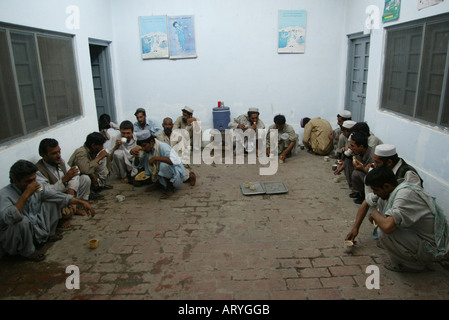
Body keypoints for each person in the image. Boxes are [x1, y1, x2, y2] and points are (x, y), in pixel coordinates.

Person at [0, 160, 95, 262]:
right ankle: (28, 252)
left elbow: (57, 196)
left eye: (34, 179)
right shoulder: (4, 195)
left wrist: (81, 202)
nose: (32, 183)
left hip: (35, 226)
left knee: (53, 202)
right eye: (28, 181)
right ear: (15, 181)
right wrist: (25, 195)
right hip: (17, 235)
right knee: (22, 222)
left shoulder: (37, 186)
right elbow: (11, 218)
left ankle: (46, 235)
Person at [364, 165, 449, 272]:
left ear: (386, 186)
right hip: (420, 238)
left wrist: (374, 213)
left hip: (431, 247)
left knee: (383, 232)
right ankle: (409, 258)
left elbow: (387, 227)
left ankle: (413, 265)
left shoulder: (405, 195)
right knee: (382, 205)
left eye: (376, 189)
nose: (375, 193)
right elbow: (368, 202)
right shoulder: (395, 189)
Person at [346, 144, 423, 243]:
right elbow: (368, 201)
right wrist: (355, 228)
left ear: (389, 162)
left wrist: (379, 217)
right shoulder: (383, 175)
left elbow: (411, 205)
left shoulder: (408, 175)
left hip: (409, 219)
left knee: (384, 232)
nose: (374, 165)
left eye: (377, 162)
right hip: (394, 212)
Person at [36, 138, 91, 220]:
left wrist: (71, 188)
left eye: (59, 151)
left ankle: (75, 207)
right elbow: (45, 192)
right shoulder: (38, 170)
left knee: (84, 179)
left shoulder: (60, 161)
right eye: (54, 153)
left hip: (66, 192)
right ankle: (62, 218)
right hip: (55, 196)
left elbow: (74, 174)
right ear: (43, 155)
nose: (58, 155)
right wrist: (64, 180)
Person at [130, 131, 185, 199]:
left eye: (144, 145)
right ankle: (158, 183)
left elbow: (173, 161)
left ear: (152, 142)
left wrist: (155, 158)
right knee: (150, 163)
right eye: (141, 146)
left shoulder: (163, 147)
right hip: (161, 174)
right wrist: (136, 156)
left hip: (176, 175)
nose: (143, 148)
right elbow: (137, 165)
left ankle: (170, 188)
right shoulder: (145, 150)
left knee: (163, 165)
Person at [157, 117, 196, 186]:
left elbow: (182, 151)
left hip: (176, 158)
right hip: (165, 159)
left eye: (169, 125)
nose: (167, 127)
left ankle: (189, 176)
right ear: (163, 125)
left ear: (172, 125)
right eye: (166, 125)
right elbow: (162, 149)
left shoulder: (178, 135)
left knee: (180, 170)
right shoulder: (160, 135)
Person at [345, 132, 374, 204]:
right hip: (363, 173)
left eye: (352, 146)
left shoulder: (371, 156)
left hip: (371, 179)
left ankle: (364, 195)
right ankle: (357, 190)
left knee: (356, 173)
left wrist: (363, 168)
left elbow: (374, 175)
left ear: (361, 146)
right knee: (347, 162)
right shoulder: (357, 152)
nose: (350, 148)